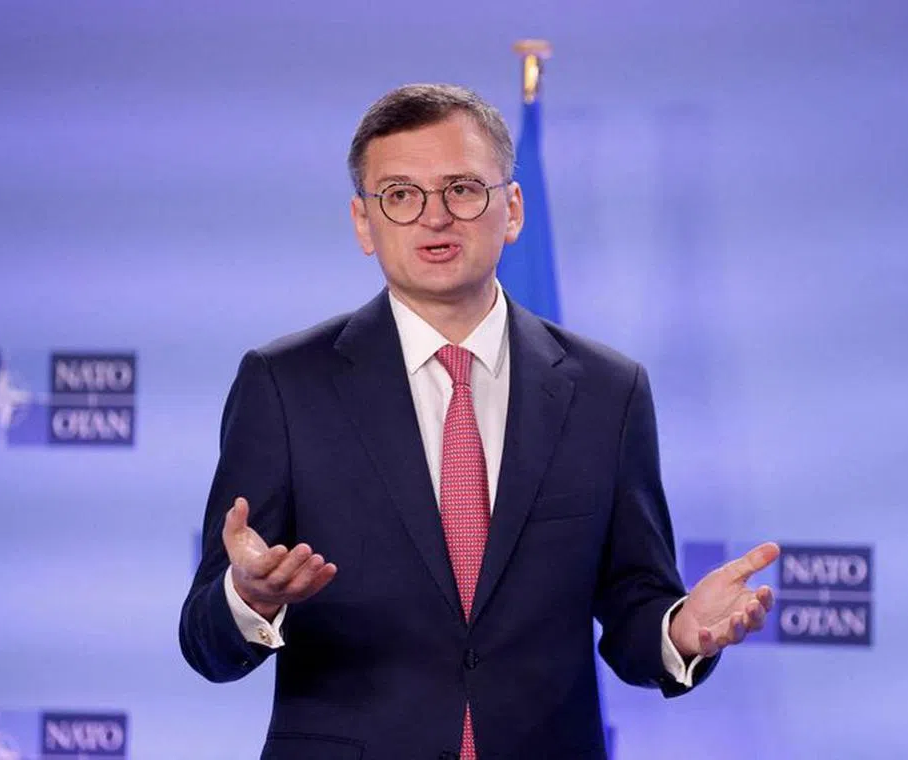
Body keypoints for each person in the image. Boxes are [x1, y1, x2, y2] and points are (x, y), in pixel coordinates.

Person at [179, 83, 779, 760]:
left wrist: (680, 631)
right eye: (400, 195)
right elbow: (204, 642)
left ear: (512, 208)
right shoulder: (286, 384)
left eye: (462, 189)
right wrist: (248, 599)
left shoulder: (610, 392)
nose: (434, 218)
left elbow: (633, 605)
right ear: (362, 223)